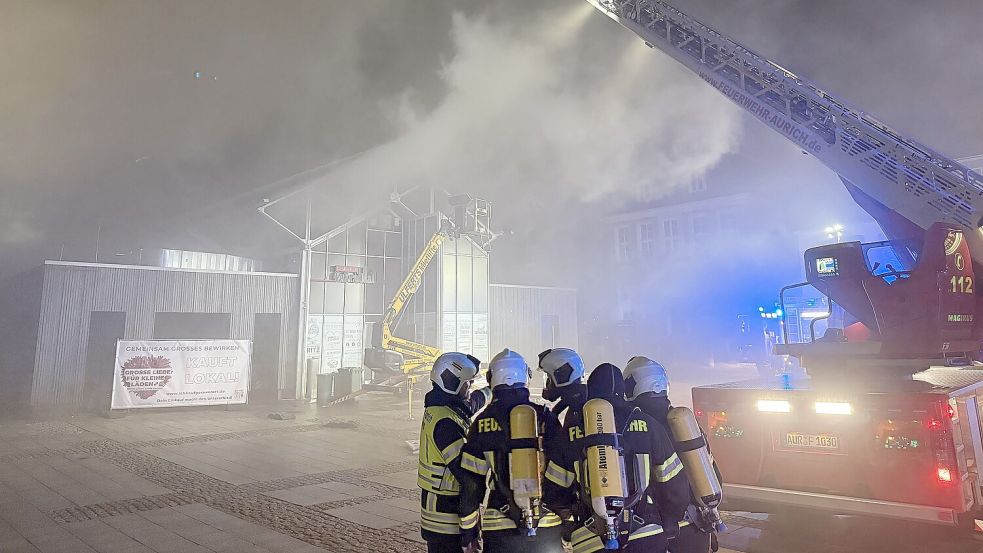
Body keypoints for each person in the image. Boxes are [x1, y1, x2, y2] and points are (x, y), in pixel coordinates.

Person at [544, 363, 689, 553]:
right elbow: (674, 486)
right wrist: (668, 519)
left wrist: (572, 519)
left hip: (591, 537)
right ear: (623, 391)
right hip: (646, 534)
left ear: (591, 391)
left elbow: (554, 492)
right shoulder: (648, 425)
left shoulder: (572, 430)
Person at [458, 349, 565, 553]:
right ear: (525, 377)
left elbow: (471, 485)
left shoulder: (482, 424)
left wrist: (468, 532)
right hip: (547, 527)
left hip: (501, 529)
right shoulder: (546, 418)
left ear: (492, 379)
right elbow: (565, 474)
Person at [624, 356, 717, 553]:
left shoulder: (642, 424)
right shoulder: (685, 422)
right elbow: (713, 472)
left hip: (666, 525)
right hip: (699, 522)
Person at [417, 352, 484, 553]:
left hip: (437, 509)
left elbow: (472, 404)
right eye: (467, 383)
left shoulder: (440, 407)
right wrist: (470, 529)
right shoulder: (446, 423)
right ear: (452, 382)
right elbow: (467, 477)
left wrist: (496, 390)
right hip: (446, 517)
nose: (469, 388)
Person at [538, 348, 588, 422]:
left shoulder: (579, 408)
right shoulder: (574, 401)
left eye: (549, 378)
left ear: (562, 375)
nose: (548, 383)